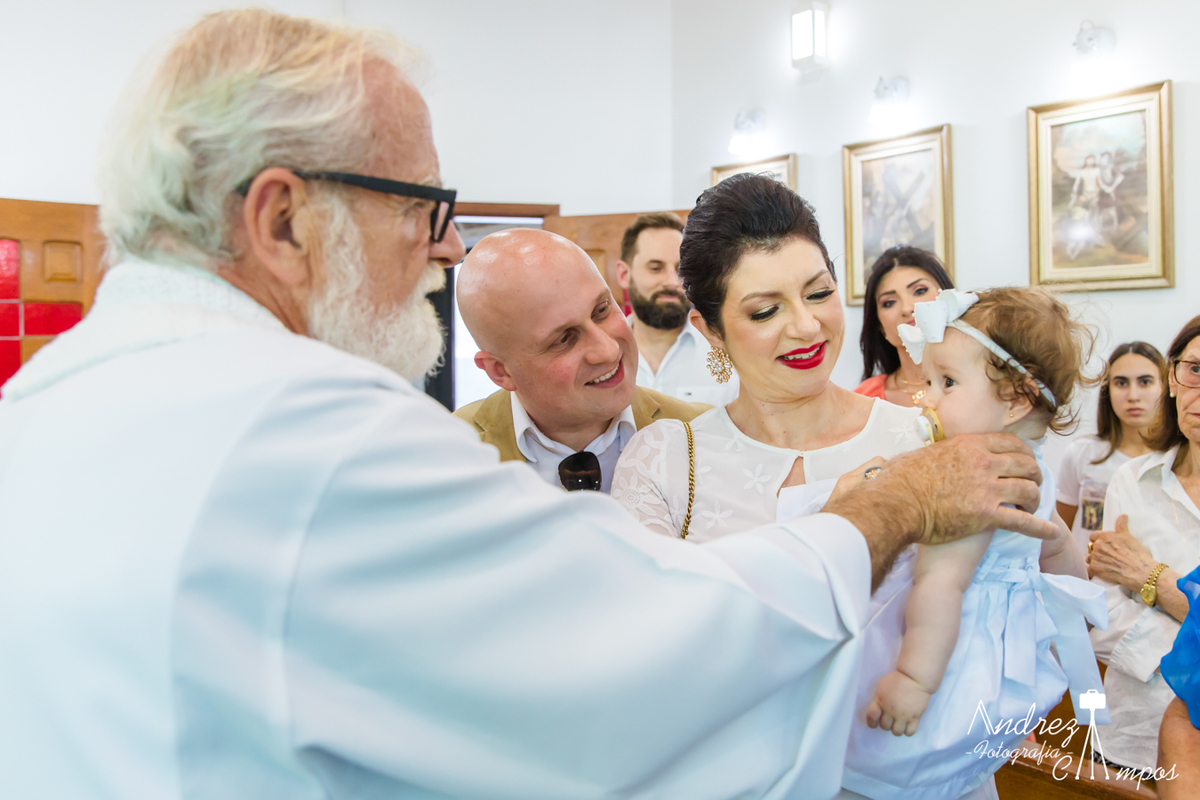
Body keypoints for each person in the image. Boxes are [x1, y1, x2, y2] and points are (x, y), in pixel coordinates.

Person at [0, 10, 1058, 800]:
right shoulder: (304, 431)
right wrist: (885, 509)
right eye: (424, 207)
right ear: (282, 219)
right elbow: (635, 644)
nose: (446, 245)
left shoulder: (45, 400)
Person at [852, 287, 1107, 799]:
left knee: (899, 771)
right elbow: (1059, 559)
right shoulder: (1034, 463)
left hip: (943, 656)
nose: (929, 397)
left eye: (947, 382)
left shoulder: (976, 474)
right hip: (999, 656)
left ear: (1014, 399)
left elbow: (940, 583)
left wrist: (912, 679)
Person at [454, 228, 707, 492]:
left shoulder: (703, 433)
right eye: (564, 339)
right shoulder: (448, 457)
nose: (608, 351)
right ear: (500, 371)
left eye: (602, 310)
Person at [1088, 315, 1200, 778]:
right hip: (1131, 730)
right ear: (1173, 379)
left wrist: (1148, 578)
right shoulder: (1131, 481)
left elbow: (1133, 595)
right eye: (1195, 369)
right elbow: (1105, 617)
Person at [616, 212, 738, 406]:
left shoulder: (727, 355)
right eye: (655, 268)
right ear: (624, 274)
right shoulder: (605, 357)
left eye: (681, 271)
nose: (672, 282)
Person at [1057, 342, 1168, 554]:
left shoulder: (1177, 460)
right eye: (1121, 383)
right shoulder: (1082, 454)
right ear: (1108, 390)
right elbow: (1060, 535)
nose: (1133, 395)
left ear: (1165, 387)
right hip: (1086, 582)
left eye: (1145, 382)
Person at [854, 246, 954, 408]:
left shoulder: (983, 379)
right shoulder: (863, 399)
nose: (907, 308)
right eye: (890, 302)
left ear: (948, 298)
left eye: (920, 291)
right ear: (879, 326)